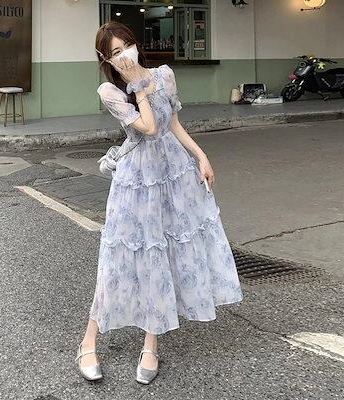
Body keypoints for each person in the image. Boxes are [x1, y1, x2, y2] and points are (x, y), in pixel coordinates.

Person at [75, 21, 243, 385]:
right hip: (136, 179)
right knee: (118, 260)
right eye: (116, 52)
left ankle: (150, 344)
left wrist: (201, 156)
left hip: (174, 173)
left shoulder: (164, 75)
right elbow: (149, 128)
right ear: (106, 59)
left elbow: (173, 125)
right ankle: (89, 341)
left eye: (127, 45)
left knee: (163, 255)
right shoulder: (110, 91)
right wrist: (136, 85)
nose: (125, 54)